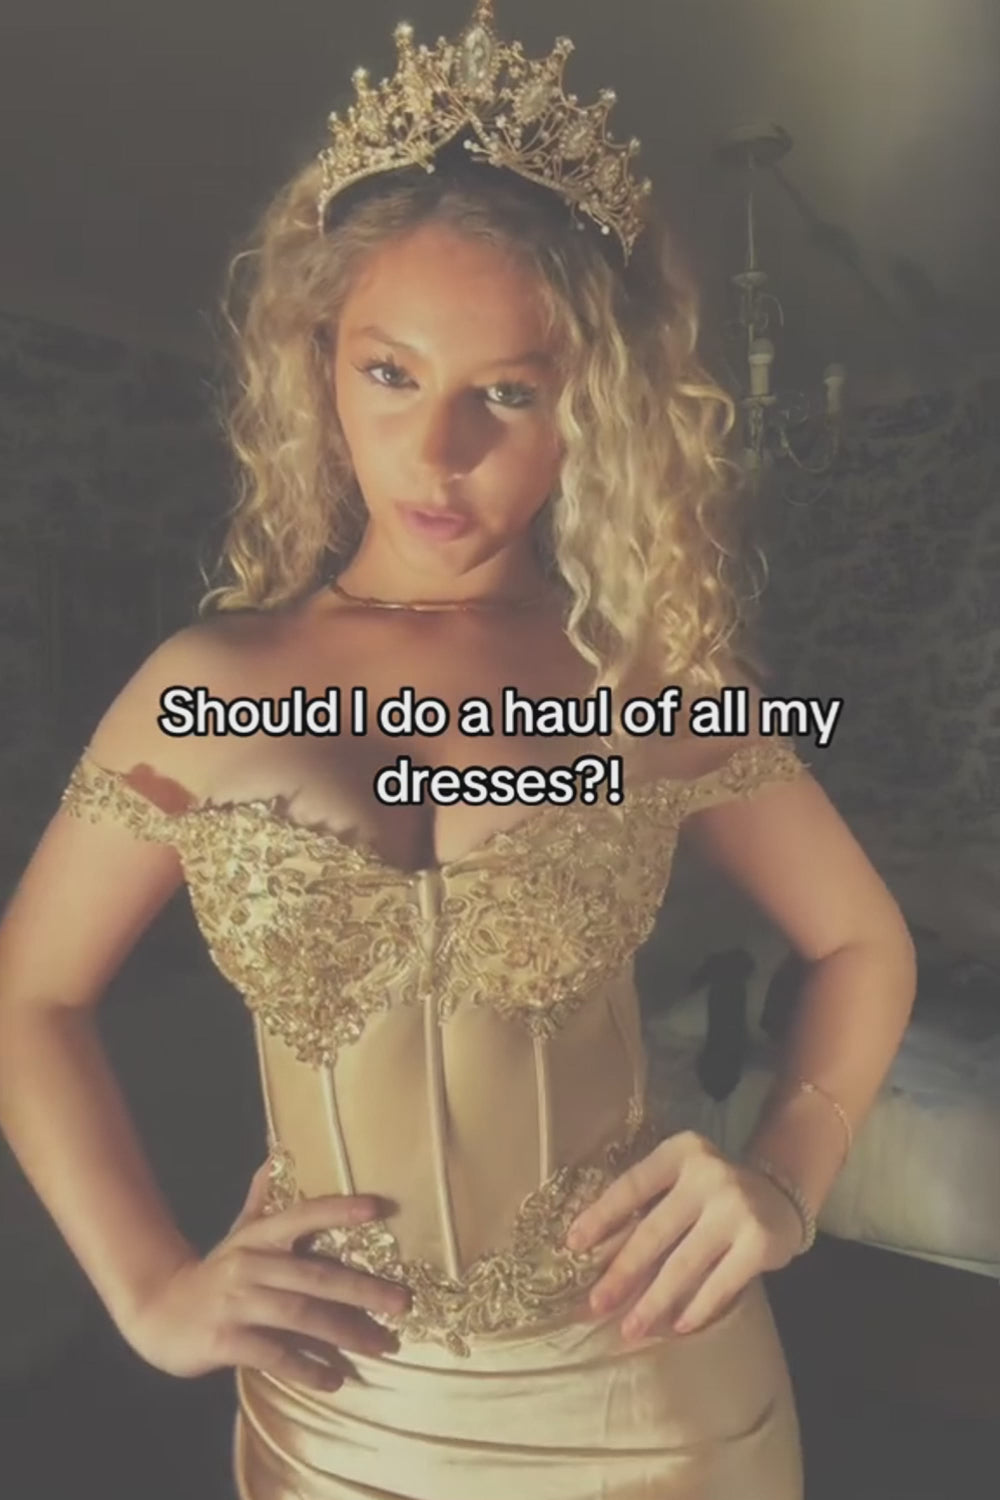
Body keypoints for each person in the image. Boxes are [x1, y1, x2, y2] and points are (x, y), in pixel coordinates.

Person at [0, 3, 917, 1497]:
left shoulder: (654, 687)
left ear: (588, 409)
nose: (439, 455)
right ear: (320, 365)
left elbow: (864, 941)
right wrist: (149, 1286)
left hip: (652, 1397)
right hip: (341, 1414)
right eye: (391, 374)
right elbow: (31, 992)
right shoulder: (204, 688)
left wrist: (784, 1179)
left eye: (508, 391)